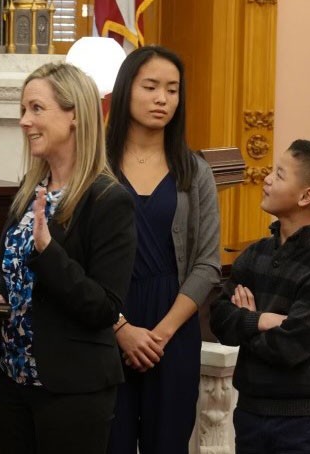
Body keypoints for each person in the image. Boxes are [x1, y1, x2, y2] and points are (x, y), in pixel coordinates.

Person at [0, 62, 137, 454]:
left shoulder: (109, 200)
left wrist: (48, 251)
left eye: (37, 109)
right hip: (13, 379)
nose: (25, 121)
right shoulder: (29, 190)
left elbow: (104, 308)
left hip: (73, 387)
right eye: (23, 110)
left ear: (74, 115)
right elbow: (12, 272)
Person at [104, 45, 221, 454]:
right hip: (106, 320)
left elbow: (207, 263)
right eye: (151, 86)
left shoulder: (195, 170)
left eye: (172, 90)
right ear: (125, 91)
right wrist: (121, 330)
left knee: (168, 443)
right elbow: (76, 263)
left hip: (172, 325)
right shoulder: (95, 164)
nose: (162, 99)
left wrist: (161, 334)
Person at [210, 140, 310, 454]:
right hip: (250, 414)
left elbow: (290, 347)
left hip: (304, 424)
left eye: (280, 175)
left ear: (306, 196)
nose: (267, 179)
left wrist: (247, 321)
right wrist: (264, 321)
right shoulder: (255, 254)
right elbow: (218, 319)